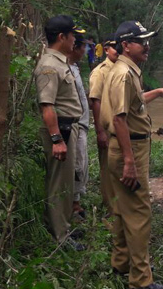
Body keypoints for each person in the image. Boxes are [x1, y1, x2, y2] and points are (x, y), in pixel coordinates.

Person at [101, 21, 163, 289]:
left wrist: (158, 92)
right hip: (129, 148)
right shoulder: (123, 74)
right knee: (139, 213)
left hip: (127, 147)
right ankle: (142, 280)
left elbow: (132, 105)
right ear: (126, 45)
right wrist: (130, 162)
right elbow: (120, 120)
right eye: (141, 41)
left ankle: (122, 262)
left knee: (124, 209)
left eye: (147, 40)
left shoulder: (126, 71)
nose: (147, 45)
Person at [34, 15, 86, 250]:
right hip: (60, 130)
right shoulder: (49, 65)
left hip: (69, 127)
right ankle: (60, 238)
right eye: (72, 35)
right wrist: (56, 140)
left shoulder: (60, 61)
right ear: (61, 37)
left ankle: (64, 227)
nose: (75, 39)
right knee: (58, 184)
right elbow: (47, 106)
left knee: (66, 182)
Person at [89, 34, 118, 214]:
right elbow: (95, 101)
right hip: (107, 127)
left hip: (122, 127)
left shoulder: (123, 69)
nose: (118, 51)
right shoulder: (100, 72)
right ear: (106, 49)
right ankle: (110, 207)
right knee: (107, 168)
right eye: (114, 47)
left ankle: (121, 203)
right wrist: (100, 131)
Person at [69, 34, 90, 219]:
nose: (85, 50)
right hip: (74, 126)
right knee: (76, 166)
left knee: (81, 164)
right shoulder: (63, 68)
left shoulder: (74, 67)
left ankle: (76, 201)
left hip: (82, 124)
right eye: (83, 46)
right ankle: (73, 206)